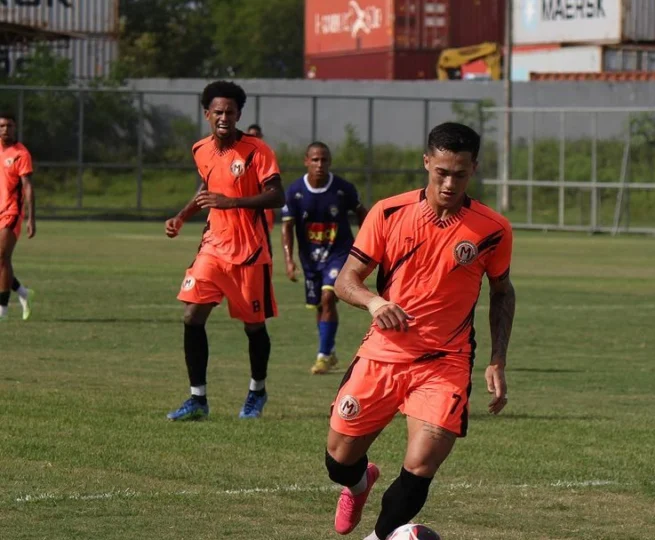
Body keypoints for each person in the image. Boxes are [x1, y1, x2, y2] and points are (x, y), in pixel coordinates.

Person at [325, 122, 515, 540]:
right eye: (441, 172)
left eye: (460, 174)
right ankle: (359, 483)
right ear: (427, 162)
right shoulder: (388, 213)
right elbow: (346, 280)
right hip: (382, 354)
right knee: (338, 460)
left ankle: (378, 538)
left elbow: (502, 291)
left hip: (445, 363)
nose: (449, 184)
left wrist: (497, 359)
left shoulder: (493, 229)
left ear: (474, 168)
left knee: (422, 462)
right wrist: (375, 302)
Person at [164, 81, 285, 421]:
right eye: (218, 112)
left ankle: (257, 391)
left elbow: (277, 196)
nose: (224, 117)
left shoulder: (256, 151)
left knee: (254, 327)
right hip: (213, 248)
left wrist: (232, 202)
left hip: (249, 252)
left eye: (230, 112)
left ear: (238, 115)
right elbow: (207, 186)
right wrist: (182, 215)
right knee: (192, 316)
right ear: (207, 114)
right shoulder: (200, 149)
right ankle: (197, 399)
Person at [280, 141, 368, 374]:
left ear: (330, 162)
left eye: (324, 160)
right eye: (315, 160)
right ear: (306, 161)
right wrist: (289, 260)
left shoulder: (342, 189)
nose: (320, 164)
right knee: (320, 304)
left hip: (340, 254)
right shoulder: (295, 191)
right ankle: (329, 351)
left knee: (328, 297)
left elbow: (362, 213)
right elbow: (287, 227)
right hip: (310, 258)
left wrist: (366, 243)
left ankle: (323, 356)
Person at [0, 112, 34, 321]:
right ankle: (23, 292)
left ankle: (2, 309)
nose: (5, 129)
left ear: (15, 128)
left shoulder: (21, 154)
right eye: (2, 126)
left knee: (3, 256)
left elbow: (28, 187)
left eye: (9, 126)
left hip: (12, 212)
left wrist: (31, 218)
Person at [245, 124, 275, 233]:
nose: (254, 137)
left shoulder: (268, 153)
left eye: (256, 134)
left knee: (264, 229)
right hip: (247, 196)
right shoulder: (242, 153)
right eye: (251, 135)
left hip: (263, 197)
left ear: (261, 136)